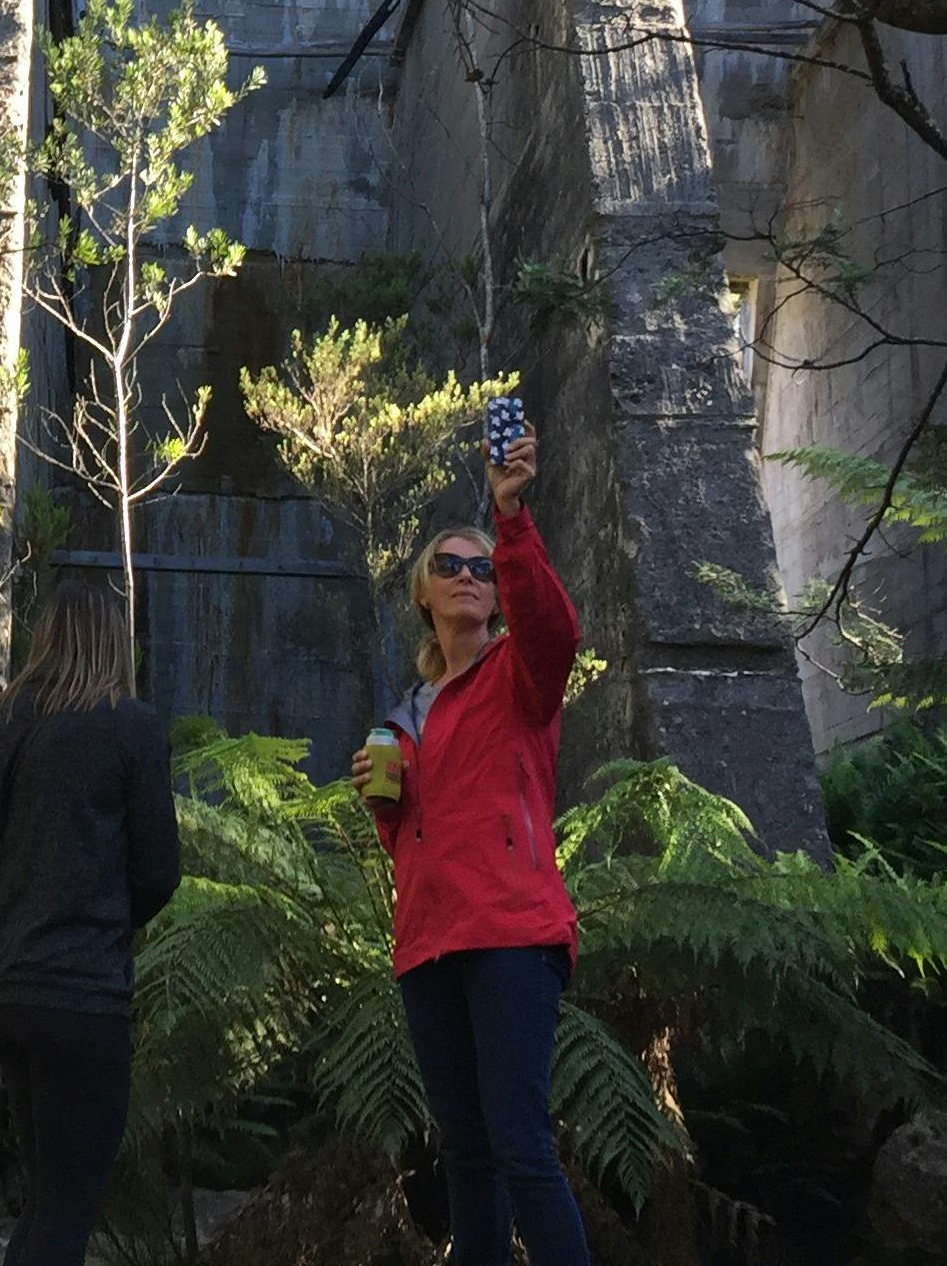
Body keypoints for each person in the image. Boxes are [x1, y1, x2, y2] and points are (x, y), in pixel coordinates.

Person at [350, 426, 591, 1266]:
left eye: (480, 568)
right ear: (424, 593)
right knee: (468, 1155)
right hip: (428, 945)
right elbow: (411, 839)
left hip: (512, 934)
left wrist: (510, 515)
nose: (465, 575)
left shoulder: (520, 675)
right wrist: (385, 802)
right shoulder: (407, 715)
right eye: (449, 566)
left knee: (522, 1144)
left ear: (497, 596)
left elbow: (556, 628)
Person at [0, 569, 181, 1266]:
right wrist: (107, 908)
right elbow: (161, 871)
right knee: (68, 1217)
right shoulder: (132, 728)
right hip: (84, 992)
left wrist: (22, 871)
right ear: (113, 643)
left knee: (44, 1205)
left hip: (7, 986)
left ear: (43, 639)